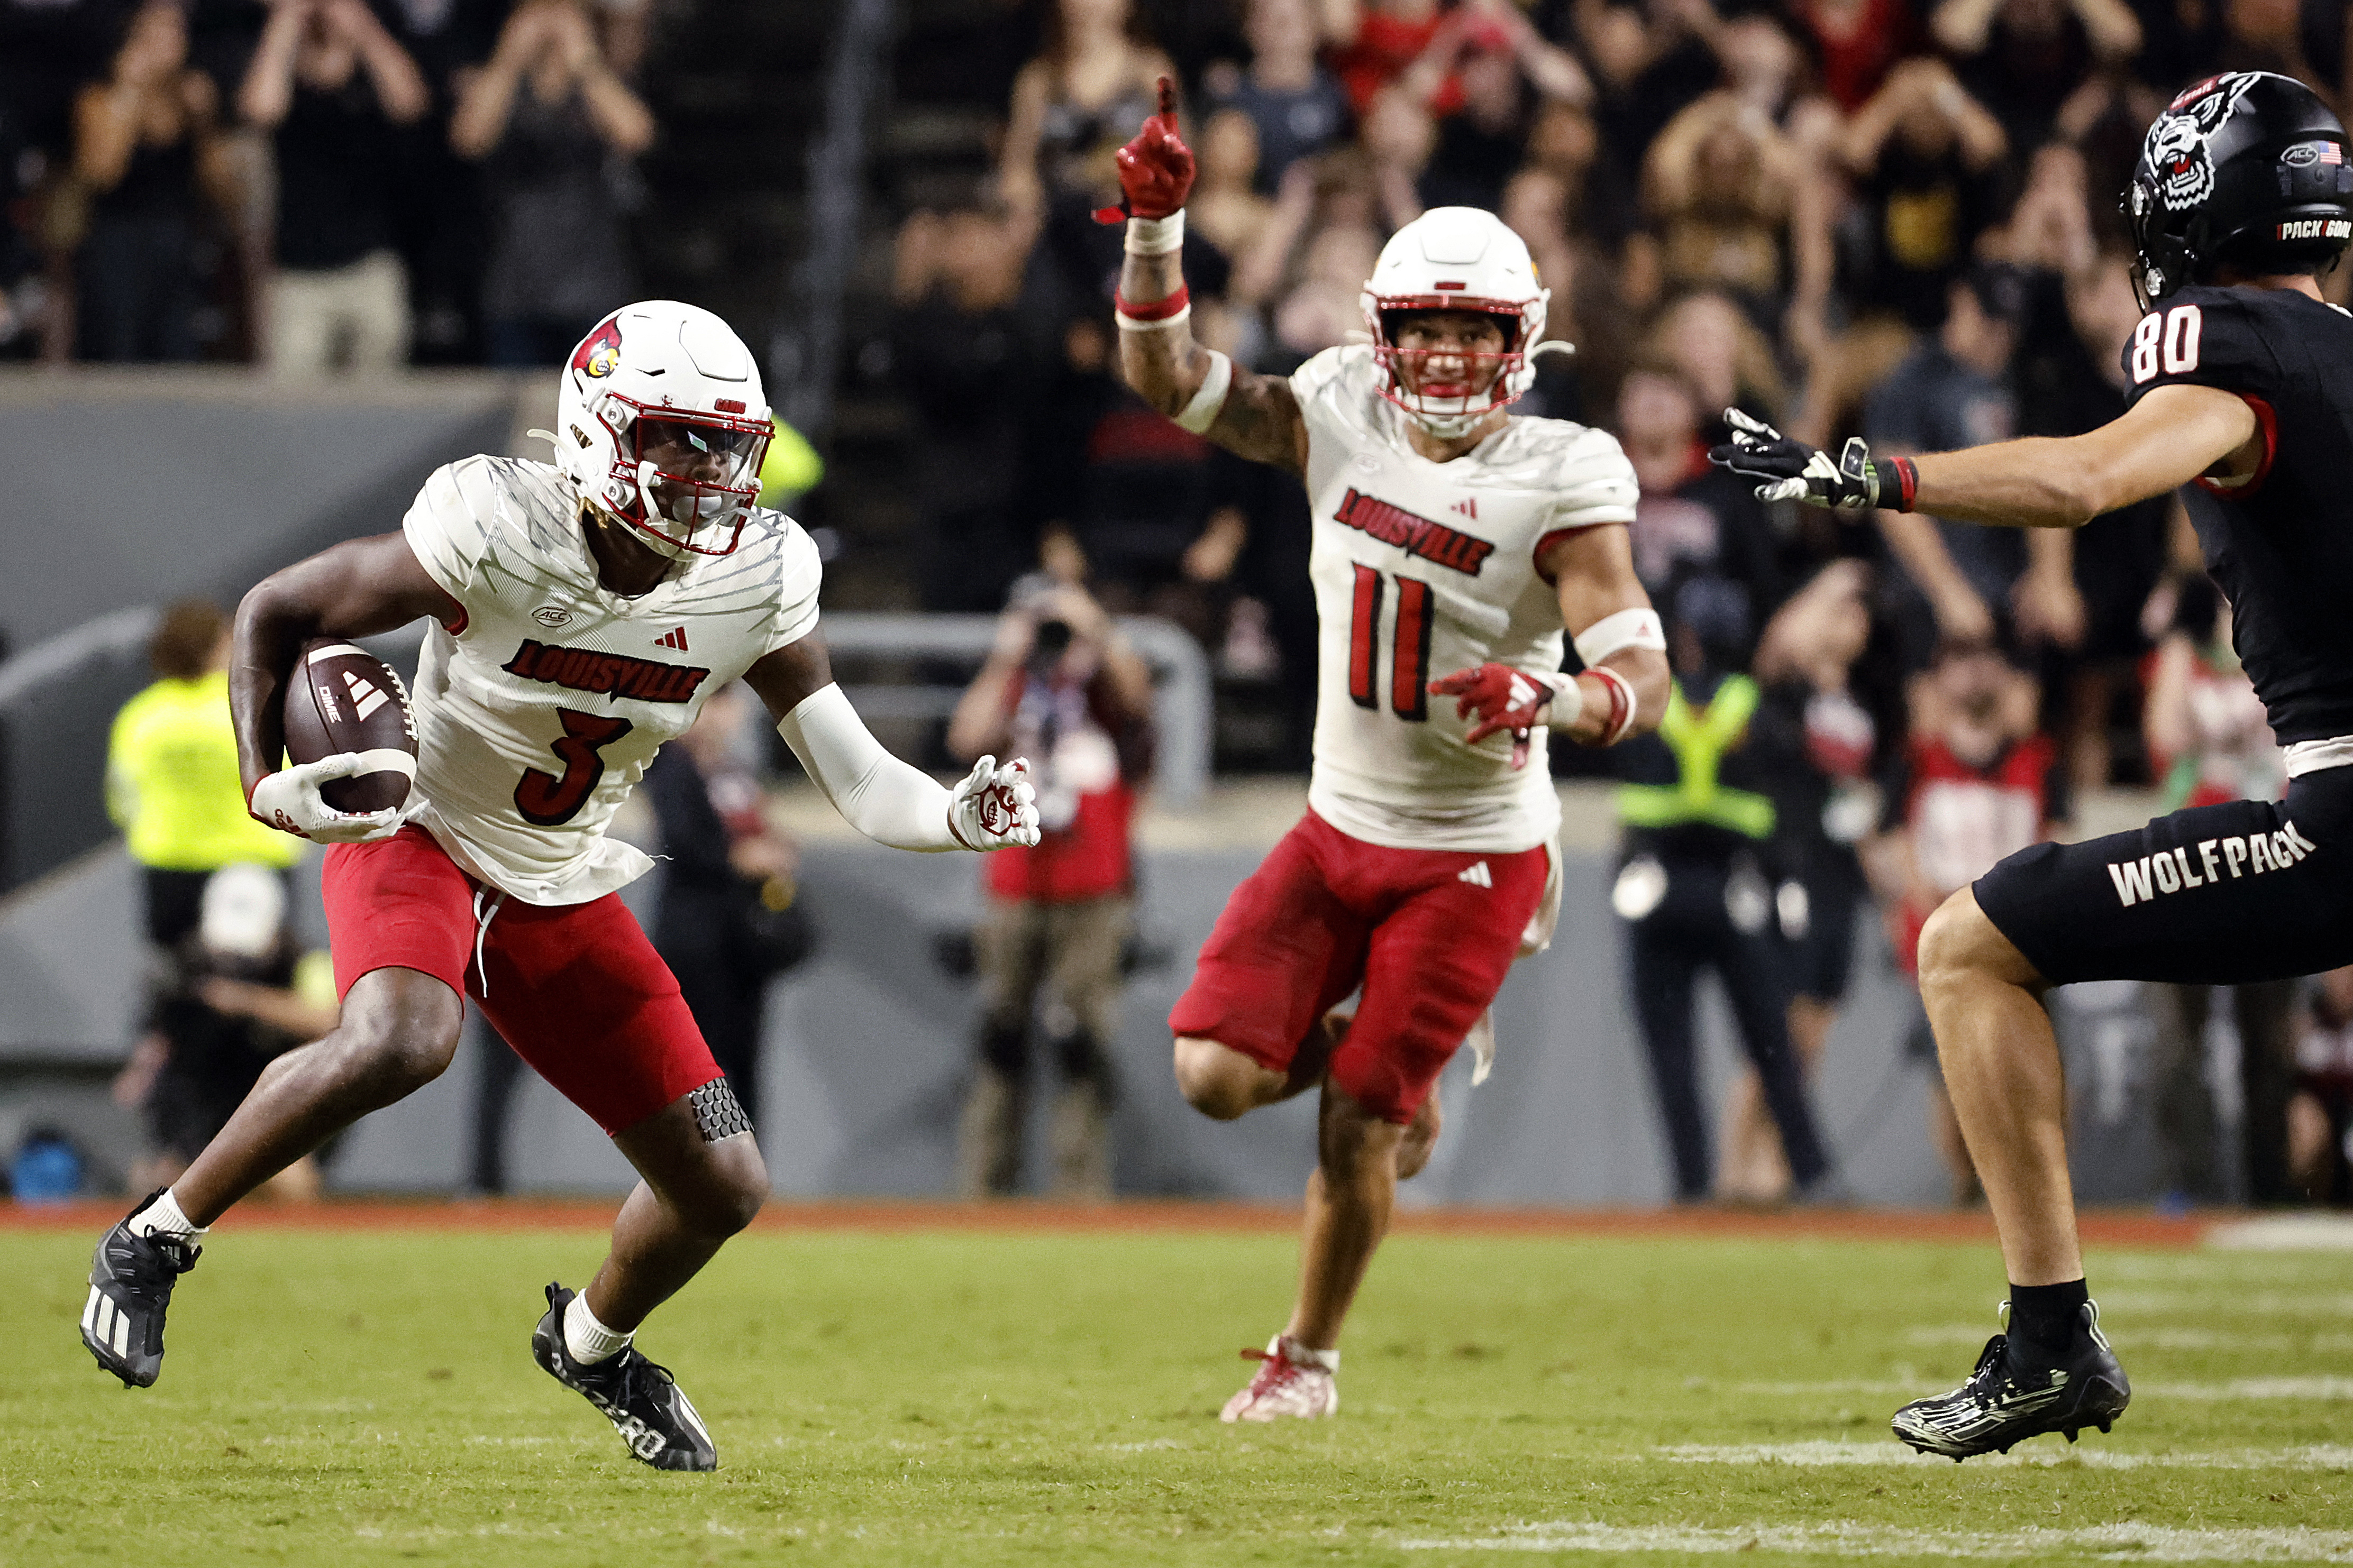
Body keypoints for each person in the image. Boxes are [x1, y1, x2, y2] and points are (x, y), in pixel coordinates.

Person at [76, 300, 1041, 1474]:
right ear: (594, 435)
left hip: (559, 880)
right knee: (404, 1037)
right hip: (419, 829)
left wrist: (951, 814)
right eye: (679, 440)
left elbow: (856, 776)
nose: (708, 475)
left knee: (724, 1181)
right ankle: (156, 1237)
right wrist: (257, 778)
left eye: (725, 446)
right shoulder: (497, 524)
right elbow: (276, 607)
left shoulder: (752, 578)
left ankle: (589, 1344)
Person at [1711, 71, 2353, 1460]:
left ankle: (2050, 1339)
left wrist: (1883, 480)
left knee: (1968, 944)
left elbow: (2085, 481)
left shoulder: (2227, 341)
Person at [1106, 85, 1667, 1421]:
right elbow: (1169, 381)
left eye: (1477, 333)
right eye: (1429, 332)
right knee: (1213, 1073)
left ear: (1521, 341)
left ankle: (1304, 1359)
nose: (1452, 360)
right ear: (1382, 337)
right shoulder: (1333, 407)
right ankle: (1386, 1044)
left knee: (1358, 1117)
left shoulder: (1563, 470)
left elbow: (1639, 666)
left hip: (1475, 851)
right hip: (1333, 820)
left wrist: (1560, 696)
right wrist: (1153, 230)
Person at [945, 578, 1154, 1198]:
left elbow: (1141, 699)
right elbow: (966, 737)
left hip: (1094, 888)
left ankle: (1080, 1196)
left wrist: (1093, 625)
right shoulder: (1015, 683)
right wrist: (1007, 653)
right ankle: (984, 1193)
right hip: (1014, 884)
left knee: (1081, 1046)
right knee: (1000, 1040)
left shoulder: (1102, 689)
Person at [644, 682, 810, 1133]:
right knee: (702, 1064)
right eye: (711, 701)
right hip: (696, 939)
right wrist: (744, 857)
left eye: (725, 700)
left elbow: (760, 826)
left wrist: (776, 847)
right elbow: (682, 842)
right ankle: (707, 1169)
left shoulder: (735, 771)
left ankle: (746, 1172)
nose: (721, 714)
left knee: (745, 1059)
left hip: (743, 940)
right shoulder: (670, 765)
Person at [450, 0, 653, 366]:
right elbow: (469, 139)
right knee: (518, 417)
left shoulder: (602, 69)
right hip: (514, 285)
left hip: (593, 284)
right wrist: (510, 57)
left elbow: (635, 133)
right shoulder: (506, 81)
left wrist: (582, 57)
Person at [237, 0, 430, 376]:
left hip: (372, 261)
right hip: (298, 270)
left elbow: (411, 103)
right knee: (292, 399)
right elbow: (260, 110)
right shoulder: (282, 61)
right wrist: (287, 20)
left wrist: (364, 29)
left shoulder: (370, 61)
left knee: (380, 394)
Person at [107, 599, 305, 950]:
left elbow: (122, 800)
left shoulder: (138, 719)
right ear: (219, 646)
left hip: (169, 868)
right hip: (255, 864)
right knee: (262, 990)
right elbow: (291, 786)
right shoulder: (252, 708)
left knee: (182, 984)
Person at [71, 0, 234, 362]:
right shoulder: (100, 94)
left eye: (176, 31)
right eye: (157, 31)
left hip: (178, 239)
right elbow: (100, 173)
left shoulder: (194, 95)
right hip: (116, 241)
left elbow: (223, 188)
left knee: (179, 352)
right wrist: (129, 90)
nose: (168, 41)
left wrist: (206, 124)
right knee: (117, 351)